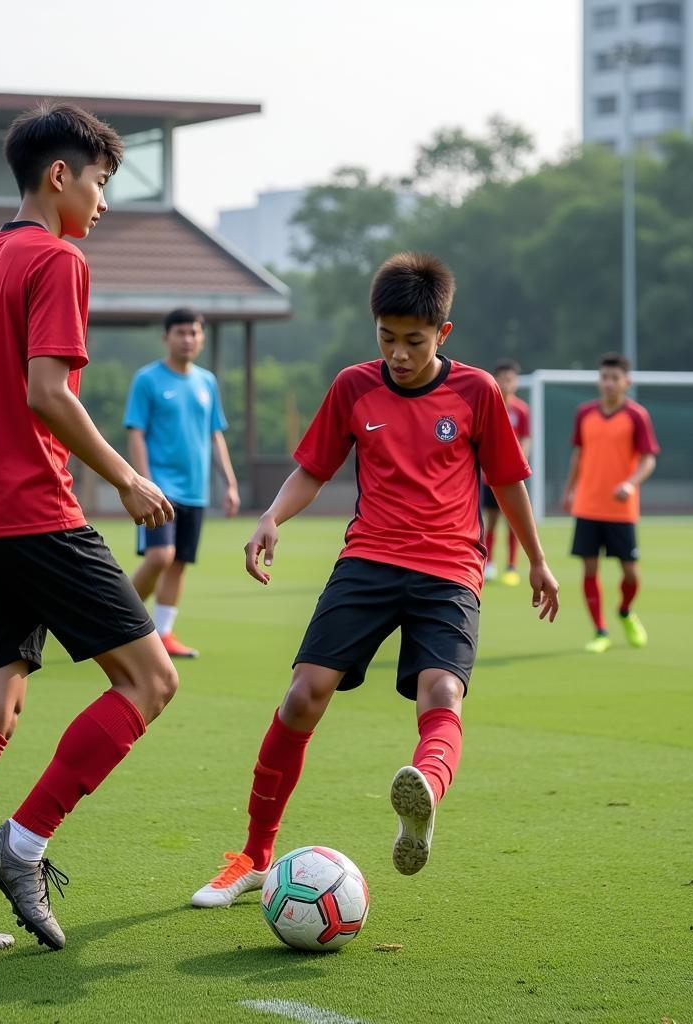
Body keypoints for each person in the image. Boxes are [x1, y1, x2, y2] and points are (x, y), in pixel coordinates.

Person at [0, 102, 178, 958]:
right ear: (60, 176)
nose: (102, 203)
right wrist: (126, 478)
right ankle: (22, 844)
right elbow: (47, 392)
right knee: (151, 682)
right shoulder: (57, 260)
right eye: (99, 182)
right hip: (36, 516)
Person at [191, 252, 559, 908]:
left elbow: (506, 480)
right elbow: (313, 467)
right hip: (368, 561)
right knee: (304, 695)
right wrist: (272, 515)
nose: (398, 353)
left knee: (442, 690)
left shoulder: (477, 392)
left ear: (443, 334)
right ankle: (252, 855)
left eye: (413, 341)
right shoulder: (353, 388)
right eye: (386, 338)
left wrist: (535, 558)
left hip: (449, 569)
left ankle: (422, 791)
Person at [124, 308, 239, 658]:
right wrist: (143, 483)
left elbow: (215, 434)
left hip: (195, 491)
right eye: (180, 333)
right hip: (161, 488)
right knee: (161, 555)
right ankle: (115, 623)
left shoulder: (207, 382)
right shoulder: (147, 380)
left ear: (201, 338)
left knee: (179, 562)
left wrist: (230, 484)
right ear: (166, 337)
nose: (188, 339)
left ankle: (164, 633)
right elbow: (136, 433)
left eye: (194, 333)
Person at [561, 353, 659, 654]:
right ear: (598, 380)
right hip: (588, 505)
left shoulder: (636, 415)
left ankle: (626, 611)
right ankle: (600, 631)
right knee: (590, 569)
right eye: (604, 377)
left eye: (615, 378)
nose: (609, 383)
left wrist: (630, 483)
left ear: (626, 382)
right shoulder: (584, 413)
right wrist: (569, 490)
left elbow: (648, 459)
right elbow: (578, 453)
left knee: (630, 572)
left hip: (621, 510)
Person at [482, 358, 531, 586]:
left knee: (514, 521)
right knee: (490, 520)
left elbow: (526, 439)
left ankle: (511, 566)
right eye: (501, 378)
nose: (505, 383)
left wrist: (517, 465)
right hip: (488, 476)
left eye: (509, 379)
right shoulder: (488, 405)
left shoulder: (521, 410)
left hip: (511, 475)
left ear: (516, 382)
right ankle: (489, 564)